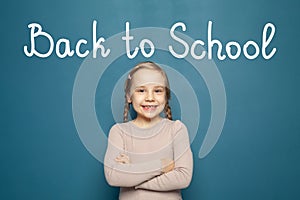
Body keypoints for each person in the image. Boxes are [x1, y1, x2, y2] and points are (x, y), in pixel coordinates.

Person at [104, 61, 193, 200]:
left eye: (157, 91)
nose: (150, 98)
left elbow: (183, 177)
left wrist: (133, 174)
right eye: (141, 90)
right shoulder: (119, 132)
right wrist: (162, 165)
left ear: (166, 96)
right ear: (129, 96)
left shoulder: (176, 129)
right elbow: (113, 177)